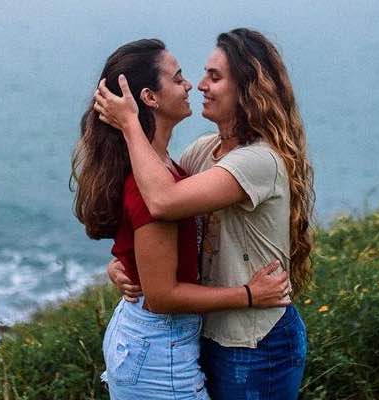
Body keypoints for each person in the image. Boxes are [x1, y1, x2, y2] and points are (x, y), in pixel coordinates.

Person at [96, 28, 314, 400]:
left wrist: (130, 124)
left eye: (214, 77)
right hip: (208, 333)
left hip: (255, 340)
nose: (199, 86)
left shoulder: (259, 160)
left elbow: (162, 201)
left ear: (246, 90)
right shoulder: (203, 152)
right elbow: (151, 216)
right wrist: (123, 264)